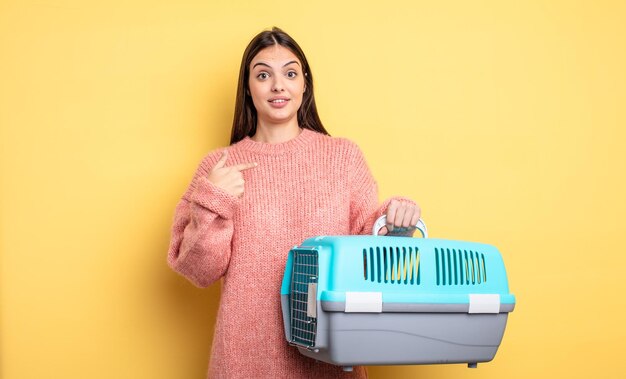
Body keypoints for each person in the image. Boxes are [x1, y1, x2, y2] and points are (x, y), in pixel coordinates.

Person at [167, 27, 421, 379]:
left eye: (289, 73)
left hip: (331, 360)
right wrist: (213, 199)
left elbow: (372, 256)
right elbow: (199, 271)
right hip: (244, 360)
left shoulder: (342, 157)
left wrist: (396, 222)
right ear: (247, 88)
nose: (277, 86)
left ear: (304, 84)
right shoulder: (219, 167)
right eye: (262, 75)